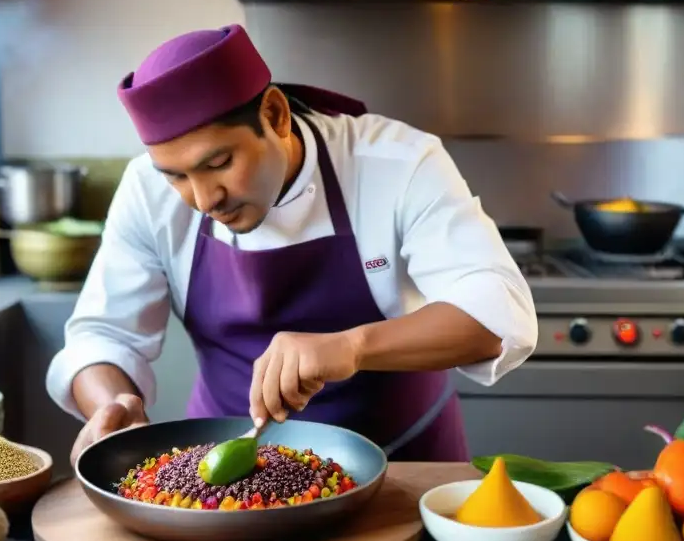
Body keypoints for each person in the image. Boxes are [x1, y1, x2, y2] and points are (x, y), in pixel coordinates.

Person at [46, 23, 538, 467]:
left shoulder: (397, 163)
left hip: (402, 464)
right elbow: (102, 336)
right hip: (231, 474)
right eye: (176, 176)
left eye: (219, 163)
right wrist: (114, 407)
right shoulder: (145, 190)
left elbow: (497, 315)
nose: (203, 199)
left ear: (275, 114)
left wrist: (351, 345)